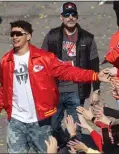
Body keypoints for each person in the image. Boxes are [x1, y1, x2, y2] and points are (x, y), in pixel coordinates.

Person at [0, 20, 109, 153]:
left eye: (18, 34)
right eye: (12, 34)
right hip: (16, 121)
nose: (14, 37)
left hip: (40, 121)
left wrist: (95, 76)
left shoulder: (44, 58)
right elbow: (4, 87)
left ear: (28, 36)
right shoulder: (6, 61)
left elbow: (68, 71)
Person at [41, 2, 100, 145]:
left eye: (73, 14)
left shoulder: (88, 38)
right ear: (61, 17)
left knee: (77, 127)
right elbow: (41, 62)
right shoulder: (52, 36)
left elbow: (94, 66)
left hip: (77, 90)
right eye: (67, 15)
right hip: (56, 89)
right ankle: (63, 144)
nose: (70, 17)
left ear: (77, 16)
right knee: (53, 126)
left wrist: (96, 90)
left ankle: (76, 148)